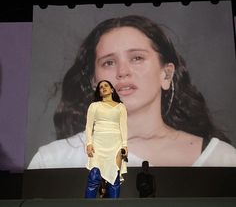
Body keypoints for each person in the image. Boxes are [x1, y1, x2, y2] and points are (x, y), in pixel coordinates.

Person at [28, 15, 236, 169]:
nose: (123, 72)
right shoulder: (53, 161)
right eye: (109, 62)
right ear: (94, 82)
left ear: (166, 74)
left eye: (137, 58)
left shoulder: (221, 159)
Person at [84, 80, 128, 198]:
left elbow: (123, 126)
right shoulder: (94, 106)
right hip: (98, 143)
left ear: (112, 89)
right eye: (100, 87)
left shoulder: (121, 107)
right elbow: (89, 126)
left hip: (116, 144)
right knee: (94, 176)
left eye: (106, 86)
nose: (103, 88)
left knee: (114, 179)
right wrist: (89, 143)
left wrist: (125, 145)